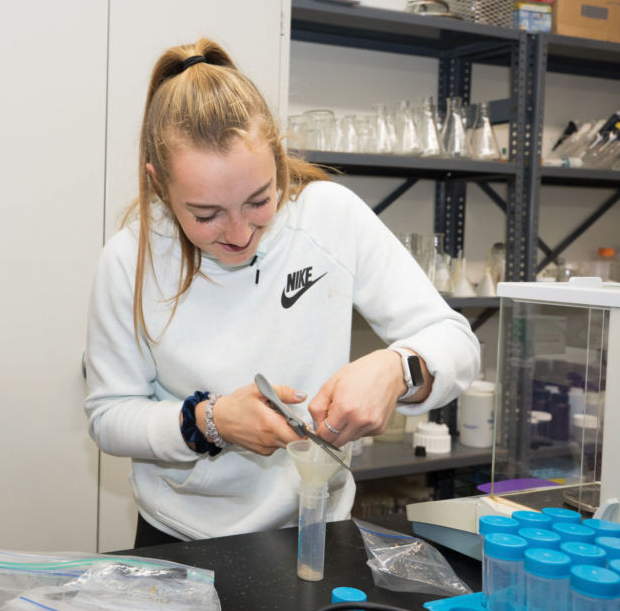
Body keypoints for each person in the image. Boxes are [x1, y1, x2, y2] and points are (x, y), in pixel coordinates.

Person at [84, 38, 480, 547]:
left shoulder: (330, 218)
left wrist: (396, 368)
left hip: (318, 522)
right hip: (181, 537)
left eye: (259, 200)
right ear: (158, 184)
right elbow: (109, 415)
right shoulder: (129, 260)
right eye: (205, 215)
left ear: (277, 158)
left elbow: (455, 340)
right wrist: (209, 422)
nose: (239, 233)